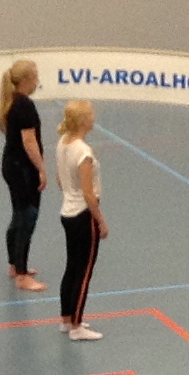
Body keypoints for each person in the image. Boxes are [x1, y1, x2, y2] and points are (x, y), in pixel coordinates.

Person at [53, 99, 107, 341]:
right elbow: (88, 193)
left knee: (71, 267)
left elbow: (60, 179)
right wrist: (100, 221)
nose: (94, 117)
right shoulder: (83, 152)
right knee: (84, 272)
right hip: (83, 215)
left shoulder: (63, 143)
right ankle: (77, 326)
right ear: (84, 120)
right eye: (91, 114)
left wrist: (70, 194)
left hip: (67, 212)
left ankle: (67, 319)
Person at [0, 58, 46, 291]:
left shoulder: (13, 102)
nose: (38, 81)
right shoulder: (24, 104)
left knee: (18, 215)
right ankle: (22, 276)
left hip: (12, 165)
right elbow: (29, 141)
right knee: (27, 216)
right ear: (26, 80)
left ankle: (15, 264)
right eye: (35, 77)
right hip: (22, 168)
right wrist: (41, 168)